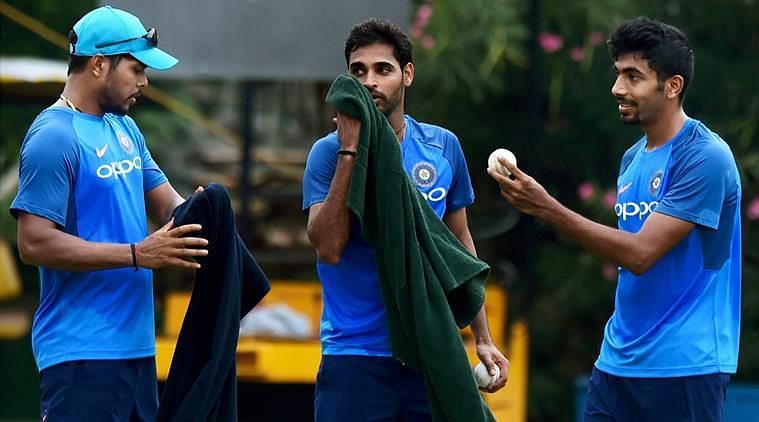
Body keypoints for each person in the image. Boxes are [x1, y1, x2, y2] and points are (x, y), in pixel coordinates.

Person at [488, 17, 741, 421]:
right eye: (618, 74)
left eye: (633, 76)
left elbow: (641, 254)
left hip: (684, 366)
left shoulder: (705, 156)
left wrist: (543, 206)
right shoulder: (632, 159)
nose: (617, 88)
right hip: (617, 363)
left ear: (672, 86)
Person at [303, 18, 509, 421]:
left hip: (426, 350)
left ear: (407, 75)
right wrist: (350, 152)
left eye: (383, 69)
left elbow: (459, 247)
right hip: (354, 357)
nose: (369, 81)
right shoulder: (327, 154)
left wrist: (481, 338)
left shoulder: (443, 146)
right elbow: (328, 248)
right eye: (358, 71)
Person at [10, 6, 208, 421]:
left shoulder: (125, 129)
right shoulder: (53, 137)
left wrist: (206, 209)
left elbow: (167, 204)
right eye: (136, 69)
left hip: (138, 351)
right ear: (99, 64)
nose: (144, 82)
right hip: (80, 354)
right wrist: (136, 254)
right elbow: (33, 243)